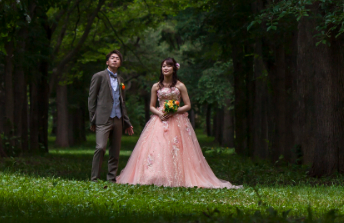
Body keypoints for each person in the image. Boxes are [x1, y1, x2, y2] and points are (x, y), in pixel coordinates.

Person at [116, 57, 239, 188]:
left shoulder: (180, 85)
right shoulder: (156, 86)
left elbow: (188, 105)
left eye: (168, 66)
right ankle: (154, 175)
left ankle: (177, 176)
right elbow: (152, 106)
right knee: (157, 147)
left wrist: (175, 110)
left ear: (174, 68)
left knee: (176, 148)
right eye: (163, 66)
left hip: (177, 120)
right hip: (160, 119)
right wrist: (159, 113)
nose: (165, 68)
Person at [89, 50, 135, 182]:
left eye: (117, 58)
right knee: (100, 147)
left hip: (118, 119)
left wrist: (126, 122)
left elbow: (122, 102)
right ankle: (94, 178)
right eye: (112, 58)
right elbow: (92, 99)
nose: (115, 60)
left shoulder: (120, 79)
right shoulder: (99, 76)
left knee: (115, 151)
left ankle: (111, 178)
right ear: (107, 61)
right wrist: (93, 119)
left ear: (120, 63)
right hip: (103, 118)